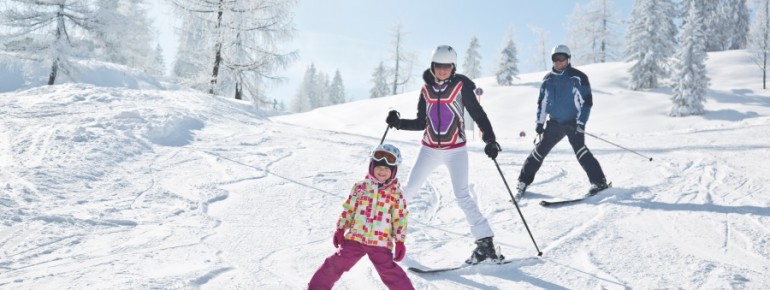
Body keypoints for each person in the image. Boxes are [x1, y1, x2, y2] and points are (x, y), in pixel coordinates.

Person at [385, 45, 503, 265]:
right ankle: (384, 233)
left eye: (446, 66)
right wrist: (398, 123)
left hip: (456, 150)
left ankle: (485, 243)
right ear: (432, 66)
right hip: (429, 149)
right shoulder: (426, 91)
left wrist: (490, 139)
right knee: (408, 190)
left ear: (453, 67)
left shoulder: (461, 87)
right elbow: (422, 122)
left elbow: (478, 114)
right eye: (438, 66)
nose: (442, 70)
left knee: (462, 195)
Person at [307, 144, 414, 290]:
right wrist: (340, 228)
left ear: (393, 171)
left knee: (391, 274)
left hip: (379, 242)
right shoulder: (360, 187)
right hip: (355, 239)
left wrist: (400, 241)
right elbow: (349, 210)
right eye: (378, 167)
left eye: (387, 168)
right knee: (333, 265)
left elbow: (400, 218)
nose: (382, 171)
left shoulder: (396, 194)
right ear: (371, 167)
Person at [515, 44, 609, 200]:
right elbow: (542, 103)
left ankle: (599, 182)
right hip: (555, 123)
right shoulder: (548, 80)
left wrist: (581, 122)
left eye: (562, 58)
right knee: (539, 151)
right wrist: (540, 123)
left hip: (573, 123)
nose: (558, 62)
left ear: (568, 59)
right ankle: (523, 181)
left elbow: (586, 102)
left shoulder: (577, 77)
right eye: (555, 59)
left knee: (581, 151)